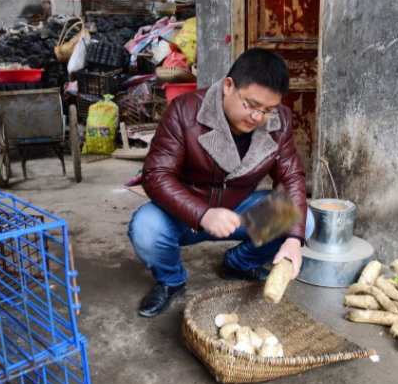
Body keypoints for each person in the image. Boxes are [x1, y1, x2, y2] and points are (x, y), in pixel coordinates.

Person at [128, 48, 311, 318]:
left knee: (302, 220)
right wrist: (202, 214)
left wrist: (294, 239)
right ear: (228, 86)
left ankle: (238, 264)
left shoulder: (279, 122)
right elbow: (156, 175)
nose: (257, 117)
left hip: (237, 213)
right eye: (250, 104)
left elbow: (292, 178)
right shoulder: (184, 111)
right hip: (184, 215)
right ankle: (171, 281)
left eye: (268, 109)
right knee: (145, 227)